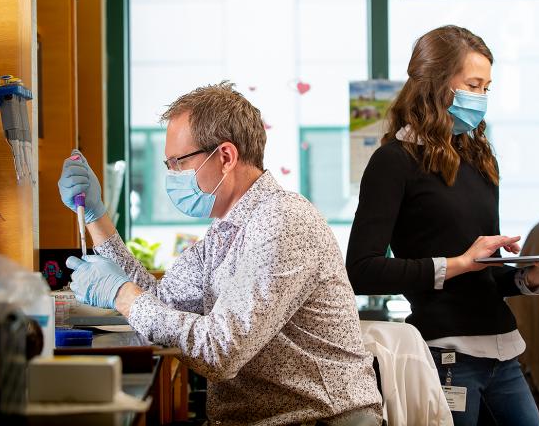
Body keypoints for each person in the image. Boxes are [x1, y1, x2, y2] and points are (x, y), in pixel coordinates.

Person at [58, 82, 382, 425]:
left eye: (178, 163)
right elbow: (159, 302)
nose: (171, 176)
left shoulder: (284, 220)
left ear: (225, 157)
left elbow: (221, 351)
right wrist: (97, 218)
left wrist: (121, 293)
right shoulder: (223, 234)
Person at [345, 25, 539, 426]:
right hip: (447, 356)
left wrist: (537, 274)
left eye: (486, 88)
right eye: (473, 85)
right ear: (437, 85)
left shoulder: (481, 160)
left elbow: (487, 276)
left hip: (504, 353)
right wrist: (459, 263)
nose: (480, 98)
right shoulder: (393, 162)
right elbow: (360, 272)